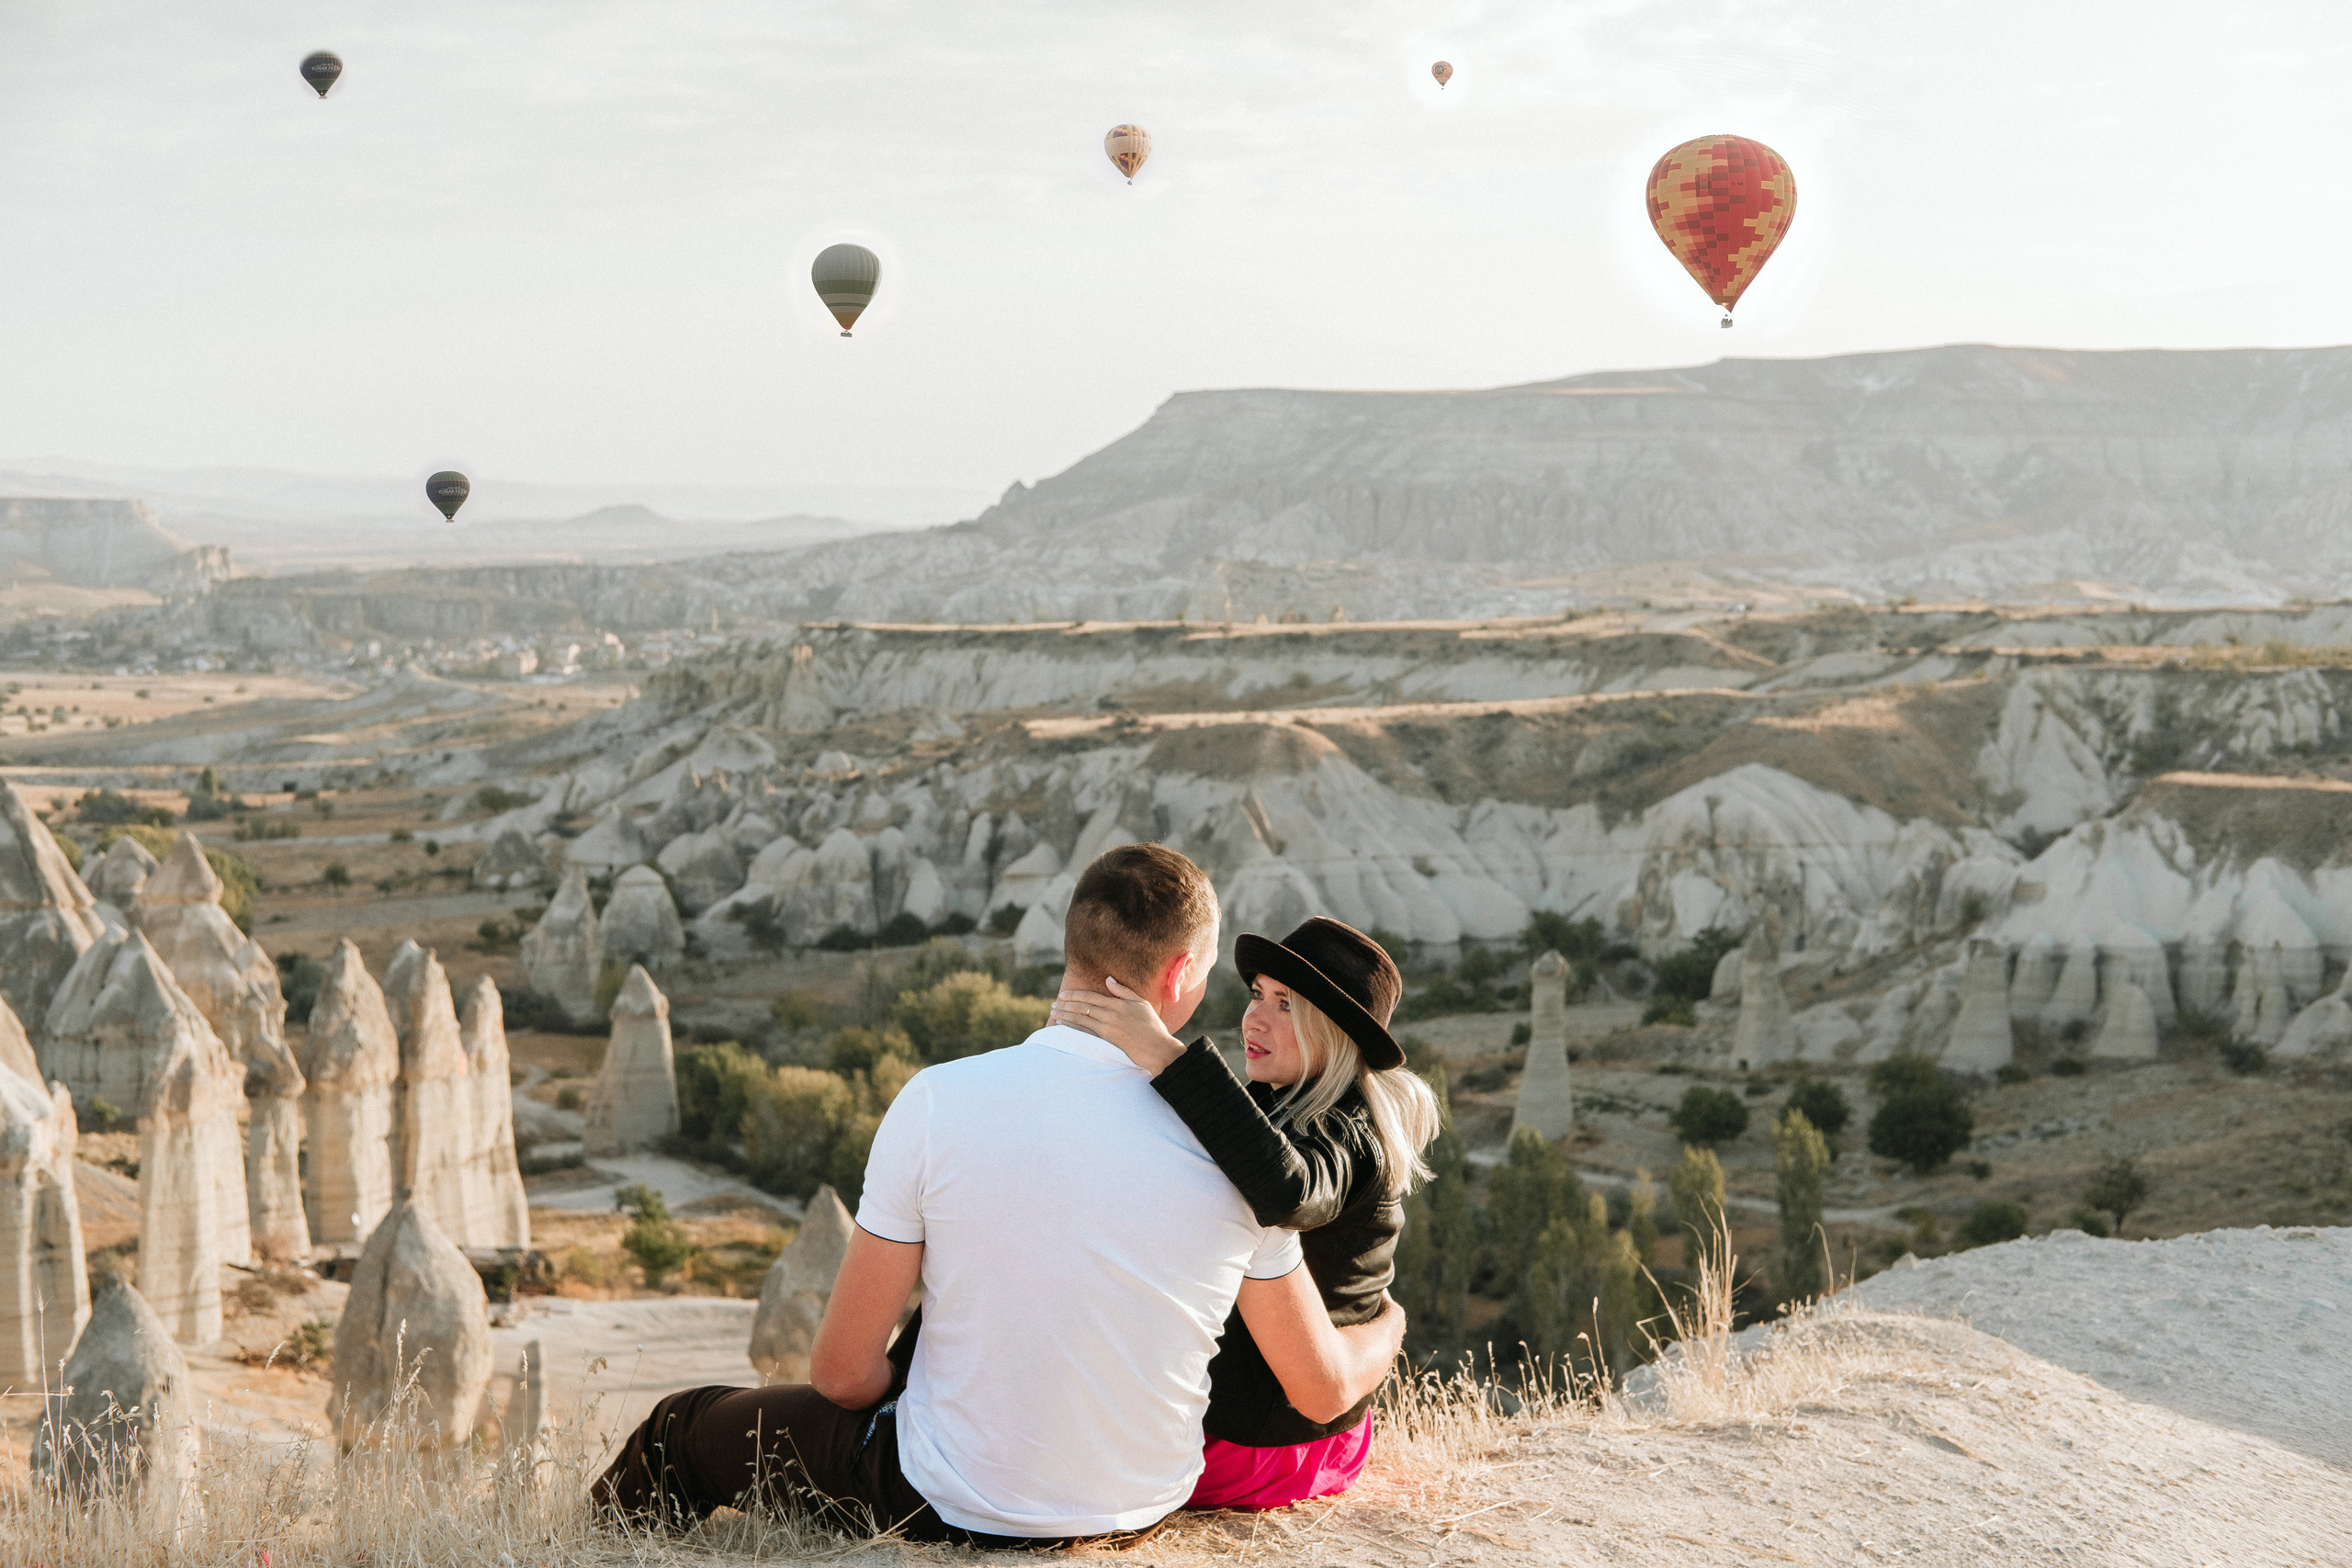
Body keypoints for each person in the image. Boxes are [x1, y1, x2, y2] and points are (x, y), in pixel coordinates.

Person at [593, 844, 1408, 1547]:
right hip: (1143, 1504)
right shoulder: (1234, 1151)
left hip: (944, 1500)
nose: (1254, 1013)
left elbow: (841, 1375)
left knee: (681, 1428)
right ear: (1183, 973)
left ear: (1072, 945)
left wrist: (907, 1396)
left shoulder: (939, 1099)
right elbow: (1316, 1380)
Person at [1050, 916, 1442, 1510]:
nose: (1254, 1017)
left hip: (1276, 1443)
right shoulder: (1280, 1100)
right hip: (1265, 1425)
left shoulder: (1350, 1129)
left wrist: (1162, 1050)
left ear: (1332, 1029)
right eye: (1257, 994)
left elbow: (1289, 1192)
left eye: (1286, 1004)